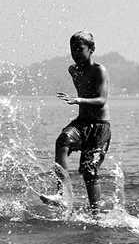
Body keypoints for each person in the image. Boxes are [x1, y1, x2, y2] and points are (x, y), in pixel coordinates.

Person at [40, 31, 111, 213]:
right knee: (62, 141)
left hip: (99, 127)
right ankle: (62, 194)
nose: (75, 53)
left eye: (79, 49)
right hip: (82, 122)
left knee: (89, 170)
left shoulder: (99, 70)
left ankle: (97, 215)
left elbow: (101, 100)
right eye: (72, 49)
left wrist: (77, 100)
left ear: (91, 49)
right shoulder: (73, 70)